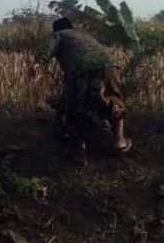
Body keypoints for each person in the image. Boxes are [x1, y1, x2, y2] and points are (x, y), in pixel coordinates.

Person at [29, 18, 131, 163]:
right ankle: (120, 141)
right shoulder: (83, 35)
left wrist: (39, 62)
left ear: (57, 29)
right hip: (112, 66)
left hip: (82, 70)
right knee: (113, 100)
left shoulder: (60, 34)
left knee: (74, 107)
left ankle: (79, 150)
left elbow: (48, 45)